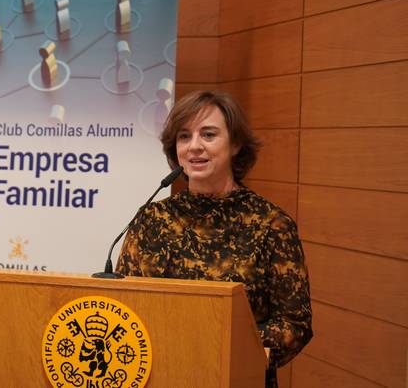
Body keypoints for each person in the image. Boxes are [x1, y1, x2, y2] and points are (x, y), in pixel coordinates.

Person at [116, 90, 312, 388]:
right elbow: (123, 305)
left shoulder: (271, 224)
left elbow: (294, 326)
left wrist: (210, 346)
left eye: (208, 135)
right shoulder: (151, 219)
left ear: (235, 144)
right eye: (184, 136)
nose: (194, 146)